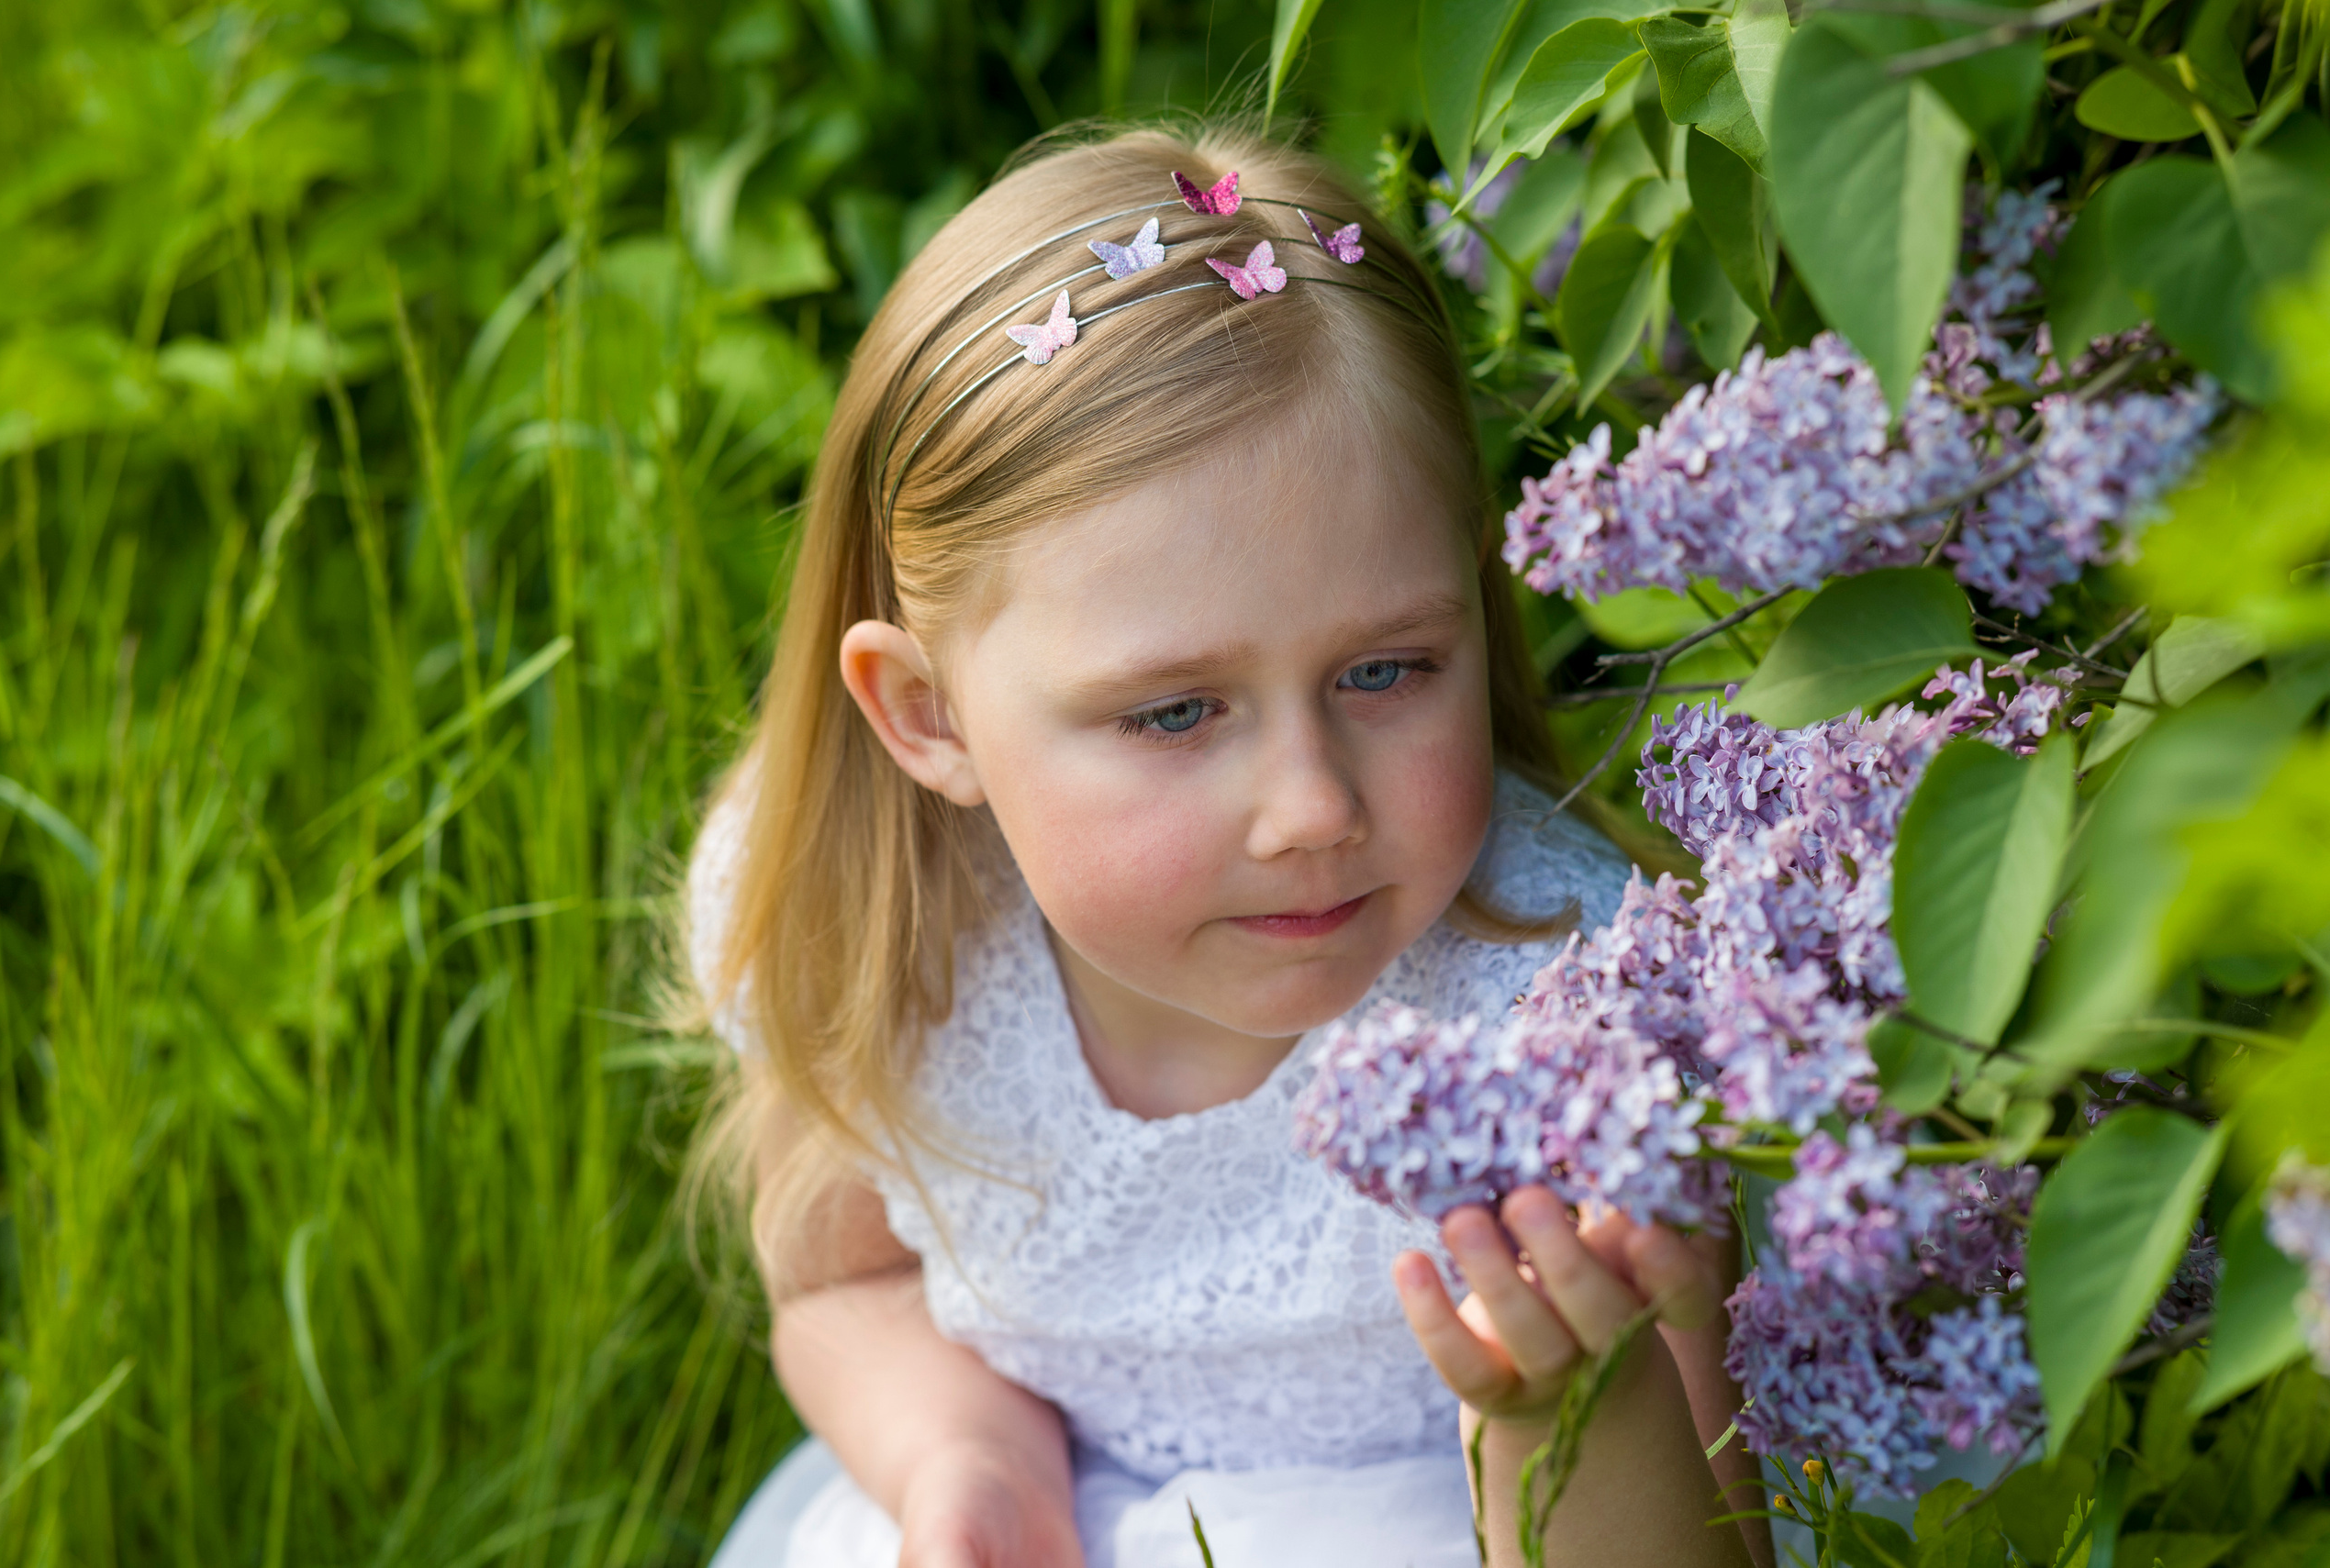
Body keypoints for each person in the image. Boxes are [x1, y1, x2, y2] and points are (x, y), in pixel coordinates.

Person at [685, 122, 1767, 1568]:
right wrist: (966, 1460)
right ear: (930, 716)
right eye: (1180, 710)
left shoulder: (1566, 1021)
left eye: (1385, 671)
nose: (1313, 804)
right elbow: (843, 1286)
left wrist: (1564, 1408)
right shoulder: (880, 926)